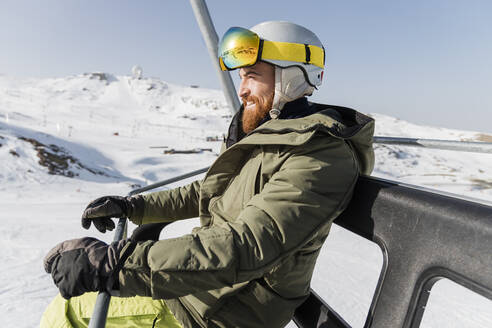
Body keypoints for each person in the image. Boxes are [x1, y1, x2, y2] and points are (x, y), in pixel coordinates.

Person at [42, 21, 374, 328]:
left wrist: (114, 266)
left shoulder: (319, 155)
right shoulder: (276, 136)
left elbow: (245, 245)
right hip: (206, 291)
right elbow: (207, 190)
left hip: (218, 312)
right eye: (241, 77)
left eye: (252, 75)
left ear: (293, 76)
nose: (242, 89)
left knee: (67, 311)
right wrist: (134, 207)